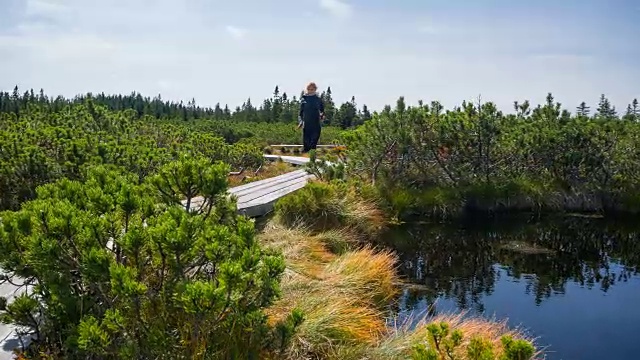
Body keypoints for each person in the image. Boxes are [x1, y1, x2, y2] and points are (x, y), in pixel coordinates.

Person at [298, 82, 325, 153]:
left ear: (315, 89)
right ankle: (305, 153)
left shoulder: (318, 99)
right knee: (306, 140)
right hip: (307, 123)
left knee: (314, 139)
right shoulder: (304, 99)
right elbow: (301, 112)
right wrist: (300, 122)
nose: (310, 91)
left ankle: (312, 155)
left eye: (312, 89)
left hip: (316, 122)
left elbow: (322, 110)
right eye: (309, 89)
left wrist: (322, 116)